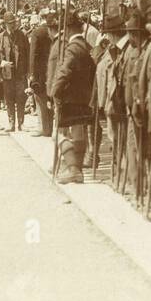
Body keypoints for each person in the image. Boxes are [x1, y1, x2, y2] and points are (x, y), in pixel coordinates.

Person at [51, 10, 96, 184]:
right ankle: (75, 169)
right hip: (84, 97)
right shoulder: (85, 45)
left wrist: (55, 90)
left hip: (70, 98)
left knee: (59, 135)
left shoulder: (72, 48)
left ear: (68, 30)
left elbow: (64, 72)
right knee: (79, 133)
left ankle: (73, 168)